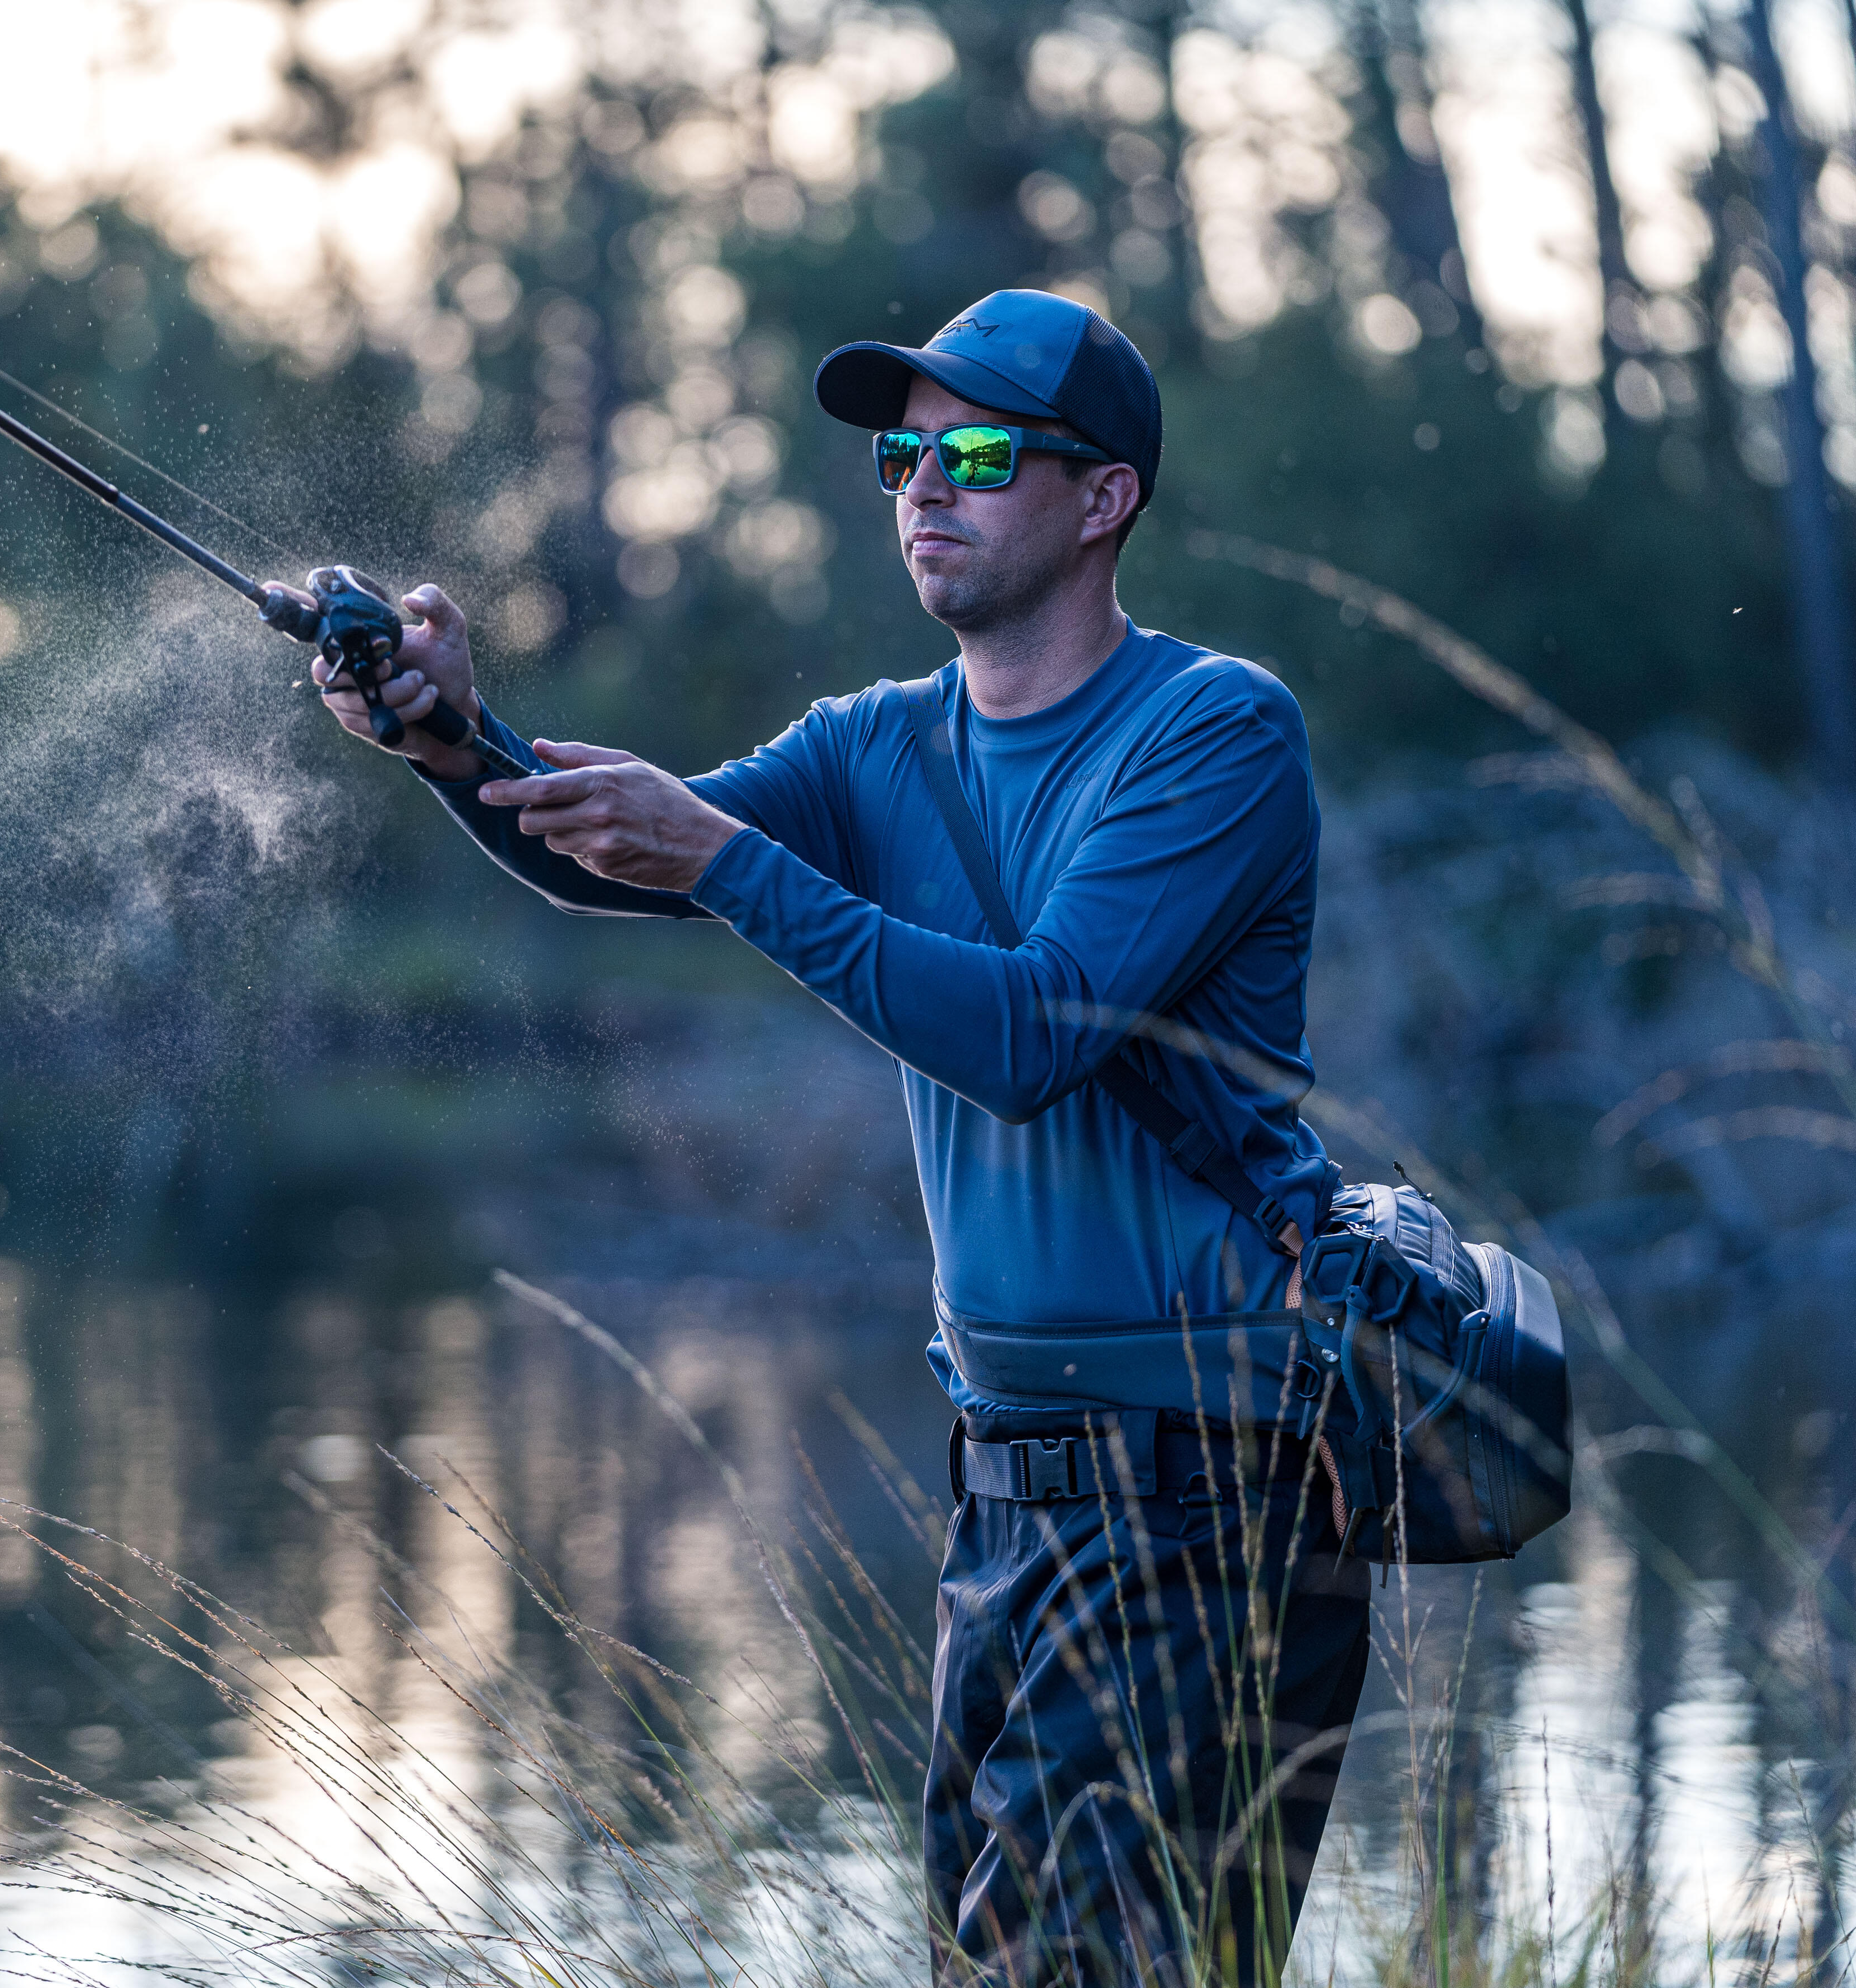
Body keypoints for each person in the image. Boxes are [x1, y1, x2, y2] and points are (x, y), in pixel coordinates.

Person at [310, 288, 1369, 1986]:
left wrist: (725, 860)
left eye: (973, 453)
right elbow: (617, 848)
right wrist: (449, 739)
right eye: (899, 456)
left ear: (1102, 499)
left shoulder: (1213, 733)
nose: (920, 490)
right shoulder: (879, 741)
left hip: (1204, 1502)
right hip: (1009, 1497)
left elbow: (1036, 1032)